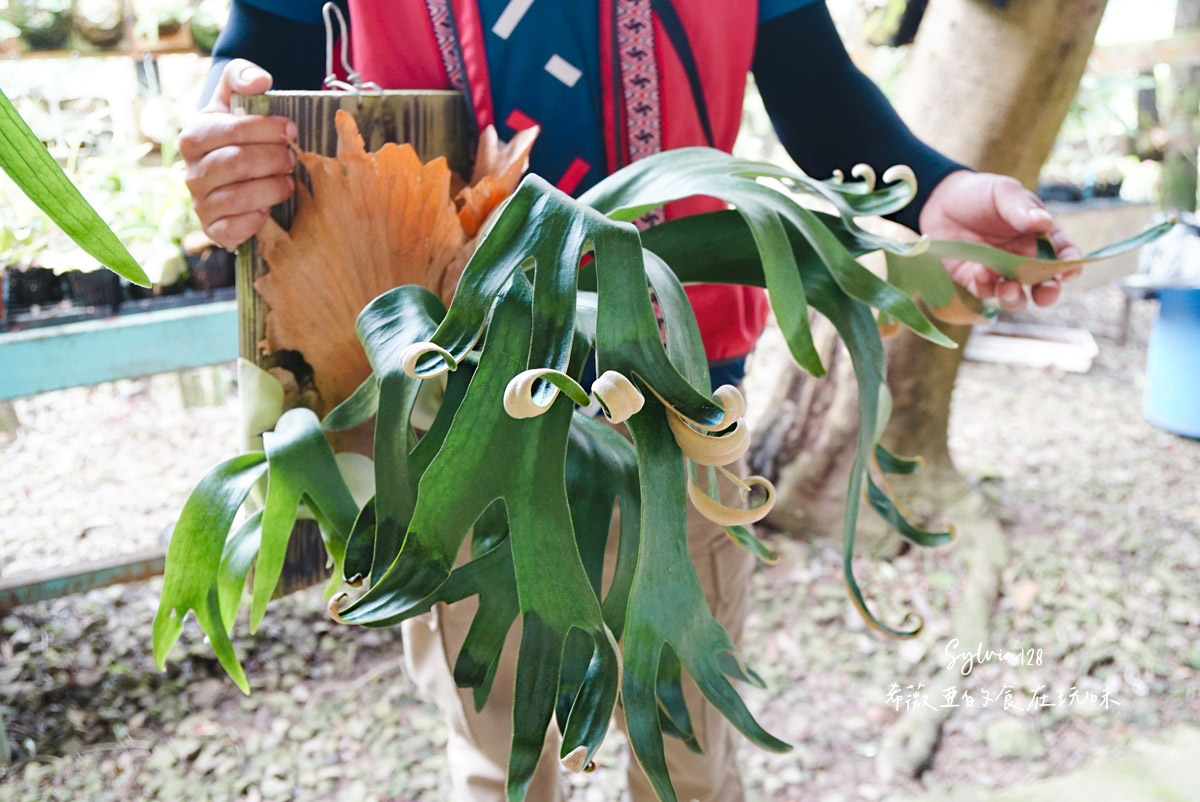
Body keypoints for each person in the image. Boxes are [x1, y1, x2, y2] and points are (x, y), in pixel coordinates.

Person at [180, 2, 1080, 799]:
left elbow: (815, 84)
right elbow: (266, 49)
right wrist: (232, 139)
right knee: (503, 760)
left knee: (685, 754)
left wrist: (933, 188)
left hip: (677, 419)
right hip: (451, 425)